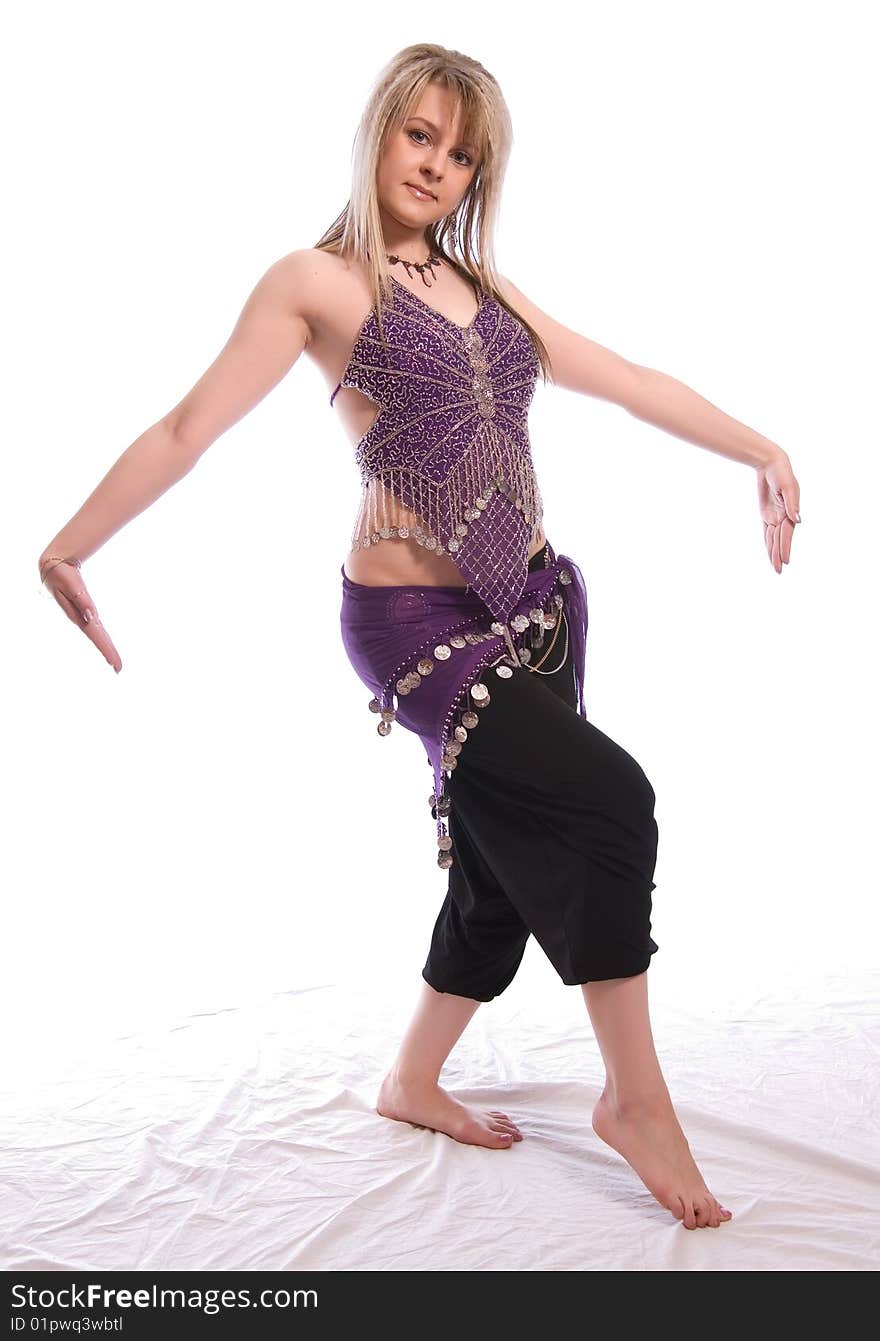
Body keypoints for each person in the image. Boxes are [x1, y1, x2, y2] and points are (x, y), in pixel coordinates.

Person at [38, 43, 801, 1231]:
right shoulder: (317, 281)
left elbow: (626, 376)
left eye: (462, 152)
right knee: (610, 802)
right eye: (421, 137)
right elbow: (186, 427)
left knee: (499, 867)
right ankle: (636, 1101)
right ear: (380, 131)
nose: (438, 165)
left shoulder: (483, 291)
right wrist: (69, 546)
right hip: (410, 623)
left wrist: (761, 447)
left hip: (534, 607)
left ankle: (410, 1080)